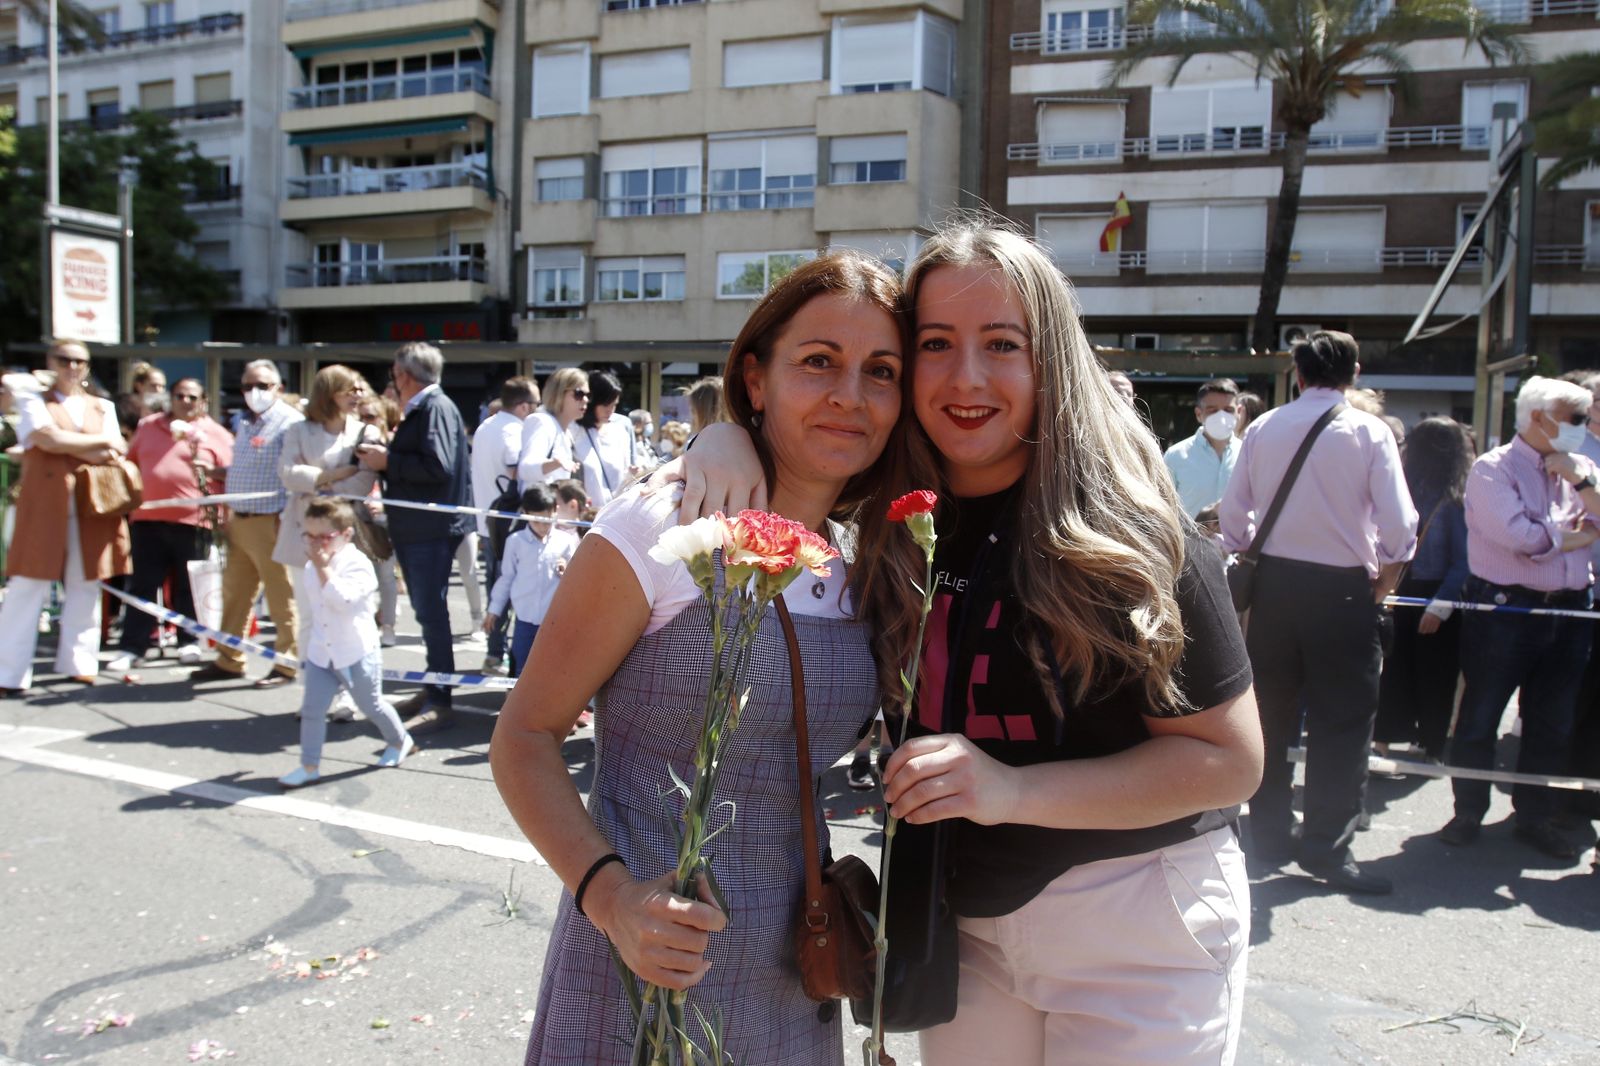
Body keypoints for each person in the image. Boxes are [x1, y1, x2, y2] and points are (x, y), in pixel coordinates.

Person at [672, 222, 1263, 1065]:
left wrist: (1009, 791)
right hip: (957, 924)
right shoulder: (887, 515)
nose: (966, 377)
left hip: (1136, 918)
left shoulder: (1138, 534)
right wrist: (724, 433)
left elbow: (1229, 762)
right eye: (937, 343)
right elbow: (789, 438)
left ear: (1050, 358)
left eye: (1002, 345)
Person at [491, 251, 906, 1066]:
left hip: (799, 970)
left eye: (880, 370)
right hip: (644, 967)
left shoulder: (865, 554)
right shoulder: (660, 523)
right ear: (754, 379)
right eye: (818, 361)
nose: (849, 395)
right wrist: (612, 900)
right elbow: (525, 737)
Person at [1220, 330, 1417, 895]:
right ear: (1353, 374)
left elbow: (1235, 521)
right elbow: (1401, 528)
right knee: (1344, 725)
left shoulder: (1263, 426)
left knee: (1271, 719)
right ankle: (1328, 850)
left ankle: (1269, 840)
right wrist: (1383, 574)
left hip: (1275, 589)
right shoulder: (1369, 431)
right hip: (1344, 594)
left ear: (1298, 374)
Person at [1437, 376, 1600, 860]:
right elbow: (1521, 538)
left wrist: (1582, 483)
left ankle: (1534, 815)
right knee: (1482, 714)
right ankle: (1468, 810)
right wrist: (1573, 534)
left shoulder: (1581, 467)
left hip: (1571, 608)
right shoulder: (1492, 469)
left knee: (1551, 720)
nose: (1583, 426)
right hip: (1507, 608)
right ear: (1538, 417)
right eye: (1575, 419)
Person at [0, 342, 131, 696]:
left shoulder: (102, 406)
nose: (73, 366)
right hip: (44, 504)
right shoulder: (33, 401)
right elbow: (47, 438)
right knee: (27, 584)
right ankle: (9, 672)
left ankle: (80, 662)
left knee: (86, 583)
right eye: (65, 359)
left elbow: (114, 448)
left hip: (92, 504)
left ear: (87, 366)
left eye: (80, 360)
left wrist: (74, 442)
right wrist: (96, 442)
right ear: (52, 362)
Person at [356, 342, 472, 731]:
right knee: (427, 613)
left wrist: (387, 461)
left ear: (403, 375)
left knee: (431, 612)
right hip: (422, 527)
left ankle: (440, 697)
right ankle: (434, 684)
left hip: (429, 530)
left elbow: (436, 465)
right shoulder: (430, 407)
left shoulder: (433, 407)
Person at [277, 498, 413, 788]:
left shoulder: (357, 564)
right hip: (321, 652)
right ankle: (309, 765)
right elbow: (314, 610)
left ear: (345, 535)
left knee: (371, 705)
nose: (315, 544)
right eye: (309, 536)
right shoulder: (314, 563)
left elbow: (343, 602)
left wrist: (324, 568)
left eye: (324, 537)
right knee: (313, 710)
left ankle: (400, 741)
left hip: (356, 651)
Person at [108, 378, 233, 673]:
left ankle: (188, 641)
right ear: (171, 398)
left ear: (202, 401)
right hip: (148, 520)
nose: (185, 401)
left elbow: (232, 474)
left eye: (192, 397)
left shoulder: (217, 434)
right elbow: (132, 462)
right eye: (180, 395)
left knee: (189, 586)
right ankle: (132, 646)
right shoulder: (149, 425)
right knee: (143, 585)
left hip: (195, 521)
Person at [192, 360, 305, 687]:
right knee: (236, 594)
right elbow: (247, 469)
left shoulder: (290, 423)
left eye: (263, 385)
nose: (254, 392)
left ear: (278, 388)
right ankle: (229, 659)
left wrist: (285, 520)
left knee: (281, 597)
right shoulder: (245, 422)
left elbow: (293, 474)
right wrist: (215, 473)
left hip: (270, 520)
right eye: (247, 386)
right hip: (239, 519)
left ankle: (286, 665)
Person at [1373, 417, 1473, 762]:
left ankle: (1400, 739)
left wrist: (1438, 606)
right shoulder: (1454, 495)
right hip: (1421, 591)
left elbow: (1462, 561)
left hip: (1420, 590)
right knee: (1429, 675)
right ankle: (1423, 742)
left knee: (1402, 670)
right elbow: (1464, 562)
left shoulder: (1419, 492)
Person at [472, 376, 538, 672]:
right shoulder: (513, 431)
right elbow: (516, 471)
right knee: (512, 589)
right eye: (535, 405)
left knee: (497, 590)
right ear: (524, 406)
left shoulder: (487, 425)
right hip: (509, 526)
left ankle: (494, 653)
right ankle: (502, 654)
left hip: (488, 524)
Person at [482, 484, 579, 677]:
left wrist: (567, 571)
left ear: (555, 511)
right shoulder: (515, 542)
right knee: (521, 669)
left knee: (552, 669)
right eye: (537, 520)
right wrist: (494, 610)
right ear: (525, 513)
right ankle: (517, 704)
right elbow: (506, 578)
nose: (543, 526)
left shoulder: (566, 541)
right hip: (525, 621)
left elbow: (577, 580)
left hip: (554, 621)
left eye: (547, 520)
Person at [1163, 378, 1242, 518]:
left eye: (1228, 410)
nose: (1222, 417)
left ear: (1239, 411)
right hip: (1190, 540)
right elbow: (1163, 506)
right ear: (1199, 414)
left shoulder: (1248, 454)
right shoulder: (1175, 456)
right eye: (1213, 410)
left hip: (1237, 540)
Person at [357, 395, 401, 647]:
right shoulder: (352, 445)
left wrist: (383, 504)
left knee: (385, 576)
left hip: (385, 520)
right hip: (357, 519)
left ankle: (388, 626)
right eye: (360, 417)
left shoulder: (393, 447)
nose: (365, 423)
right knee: (362, 576)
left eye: (371, 417)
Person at [572, 370, 639, 508]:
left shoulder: (620, 432)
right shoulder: (573, 431)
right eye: (605, 405)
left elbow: (625, 474)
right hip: (583, 516)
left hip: (615, 514)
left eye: (614, 405)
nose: (610, 411)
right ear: (591, 402)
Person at [518, 367, 587, 488]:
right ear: (559, 394)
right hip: (540, 504)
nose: (585, 400)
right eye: (579, 394)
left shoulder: (568, 430)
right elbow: (526, 468)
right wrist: (555, 463)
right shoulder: (543, 422)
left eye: (587, 395)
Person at [116, 360, 168, 437]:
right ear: (139, 386)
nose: (158, 390)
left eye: (162, 386)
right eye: (153, 385)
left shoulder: (164, 409)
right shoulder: (122, 406)